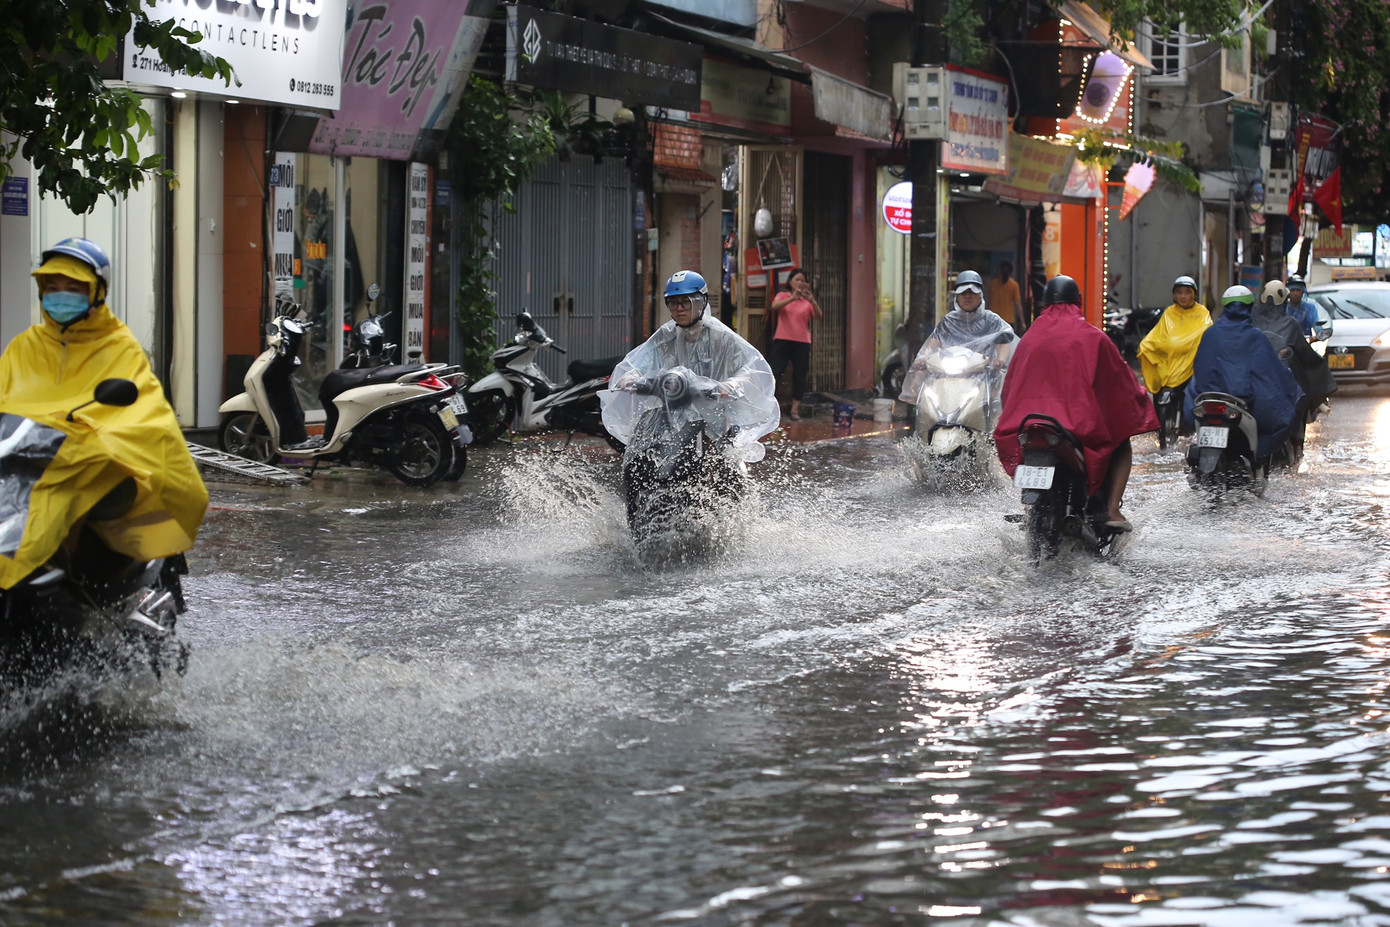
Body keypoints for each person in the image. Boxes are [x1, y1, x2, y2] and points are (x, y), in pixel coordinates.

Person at [0, 238, 207, 587]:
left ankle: (74, 588)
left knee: (66, 506)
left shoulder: (119, 346)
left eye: (73, 288)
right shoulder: (24, 346)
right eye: (52, 287)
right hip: (31, 462)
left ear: (96, 293)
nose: (60, 295)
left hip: (87, 466)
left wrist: (86, 438)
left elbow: (140, 417)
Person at [994, 275, 1159, 531]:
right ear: (1078, 301)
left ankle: (1030, 510)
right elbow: (1119, 383)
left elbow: (1009, 389)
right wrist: (1138, 397)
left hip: (1028, 425)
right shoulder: (1093, 337)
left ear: (1045, 302)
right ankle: (1112, 508)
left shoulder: (1028, 339)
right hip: (1077, 426)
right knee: (1121, 441)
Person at [603, 270, 779, 459]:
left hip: (714, 418)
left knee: (725, 470)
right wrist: (631, 377)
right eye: (673, 302)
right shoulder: (665, 336)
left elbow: (751, 368)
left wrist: (732, 385)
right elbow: (638, 363)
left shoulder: (722, 337)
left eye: (685, 301)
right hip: (671, 415)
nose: (679, 308)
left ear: (702, 302)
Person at [1184, 285, 1303, 463]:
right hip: (1242, 403)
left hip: (1208, 400)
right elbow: (1270, 374)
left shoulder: (1210, 334)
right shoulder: (1256, 337)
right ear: (1250, 308)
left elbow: (1201, 369)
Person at [899, 270, 1018, 418]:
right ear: (957, 296)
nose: (967, 296)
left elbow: (1003, 344)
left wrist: (1000, 360)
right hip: (949, 376)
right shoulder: (948, 321)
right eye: (963, 293)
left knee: (996, 405)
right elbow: (933, 343)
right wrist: (923, 357)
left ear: (980, 294)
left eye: (972, 292)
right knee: (928, 400)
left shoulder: (992, 320)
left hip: (982, 376)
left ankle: (991, 433)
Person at [1136, 275, 1211, 420]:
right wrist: (1150, 346)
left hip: (1191, 365)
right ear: (1174, 294)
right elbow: (1158, 335)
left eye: (1187, 292)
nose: (1183, 296)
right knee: (1158, 392)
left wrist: (1181, 344)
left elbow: (1204, 333)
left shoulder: (1202, 313)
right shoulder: (1169, 313)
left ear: (1194, 294)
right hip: (1169, 362)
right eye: (1179, 292)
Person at [767, 267, 822, 421]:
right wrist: (792, 298)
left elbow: (819, 316)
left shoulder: (807, 301)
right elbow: (774, 307)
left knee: (800, 375)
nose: (800, 283)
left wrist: (812, 300)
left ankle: (795, 410)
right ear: (790, 282)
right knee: (774, 372)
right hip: (783, 339)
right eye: (797, 280)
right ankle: (768, 406)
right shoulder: (783, 295)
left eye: (803, 281)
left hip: (802, 342)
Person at [986, 260, 1023, 332]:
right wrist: (1022, 322)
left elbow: (988, 301)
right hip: (1008, 321)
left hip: (993, 319)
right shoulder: (1014, 285)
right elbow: (1017, 305)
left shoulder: (993, 283)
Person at [1284, 274, 1320, 338]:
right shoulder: (1283, 308)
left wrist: (1320, 334)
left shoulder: (1310, 308)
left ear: (1303, 292)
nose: (1295, 293)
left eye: (1298, 290)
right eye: (1292, 290)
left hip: (1305, 341)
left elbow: (1316, 325)